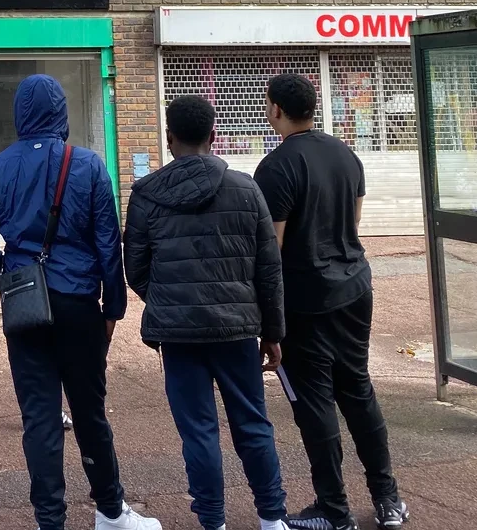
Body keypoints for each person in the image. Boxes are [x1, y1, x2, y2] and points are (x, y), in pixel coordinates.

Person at [0, 74, 159, 530]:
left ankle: (49, 520)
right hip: (77, 303)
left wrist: (10, 281)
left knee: (39, 417)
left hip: (26, 306)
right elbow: (108, 244)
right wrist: (113, 308)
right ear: (61, 113)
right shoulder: (89, 164)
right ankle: (110, 510)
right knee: (90, 411)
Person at [123, 95, 289, 530]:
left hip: (178, 335)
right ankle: (272, 518)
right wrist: (272, 331)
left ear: (169, 136)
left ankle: (212, 521)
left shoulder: (146, 195)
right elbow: (268, 269)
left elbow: (135, 268)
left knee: (198, 431)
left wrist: (168, 298)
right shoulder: (245, 188)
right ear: (214, 137)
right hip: (237, 331)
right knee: (253, 424)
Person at [254, 74, 408, 530]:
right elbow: (352, 224)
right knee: (357, 388)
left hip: (306, 299)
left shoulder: (277, 167)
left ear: (276, 109)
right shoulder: (346, 154)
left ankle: (333, 509)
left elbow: (272, 251)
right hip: (355, 287)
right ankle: (388, 499)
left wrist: (268, 321)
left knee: (314, 401)